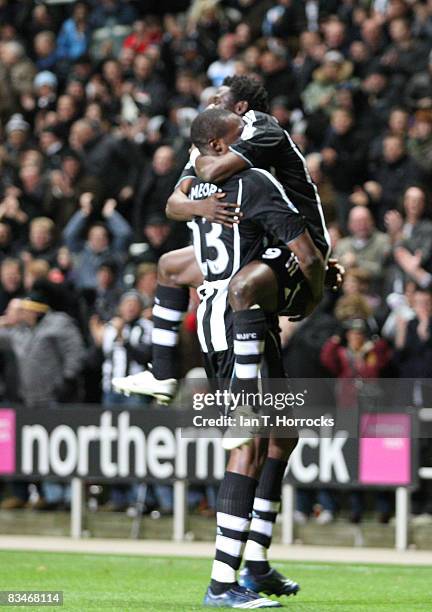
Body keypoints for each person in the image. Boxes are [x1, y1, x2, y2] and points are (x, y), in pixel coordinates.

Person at [172, 108, 324, 608]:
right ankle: (221, 582)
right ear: (218, 145)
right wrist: (312, 294)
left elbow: (173, 205)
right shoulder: (255, 180)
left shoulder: (194, 184)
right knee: (248, 443)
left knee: (281, 432)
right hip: (240, 326)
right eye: (238, 137)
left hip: (226, 314)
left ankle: (253, 565)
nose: (248, 143)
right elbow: (306, 252)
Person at [113, 75, 335, 402]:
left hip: (293, 240)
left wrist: (200, 156)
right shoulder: (213, 141)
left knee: (242, 289)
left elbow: (212, 171)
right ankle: (162, 373)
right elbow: (173, 205)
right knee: (169, 265)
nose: (210, 105)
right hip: (250, 239)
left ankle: (246, 402)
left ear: (240, 108)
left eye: (218, 100)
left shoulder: (259, 128)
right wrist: (198, 205)